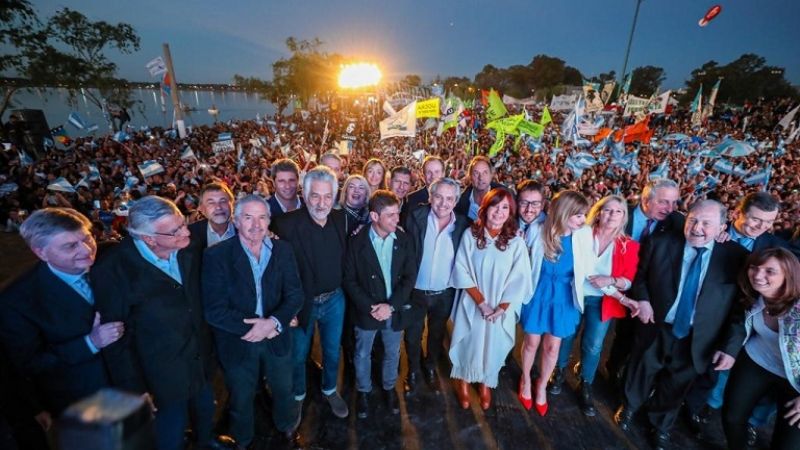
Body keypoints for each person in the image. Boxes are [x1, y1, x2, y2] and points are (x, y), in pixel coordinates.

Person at [614, 200, 748, 450]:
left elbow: (741, 309)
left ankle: (660, 425)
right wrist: (642, 300)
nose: (697, 228)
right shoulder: (660, 242)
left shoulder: (737, 258)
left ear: (722, 227)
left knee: (676, 384)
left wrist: (730, 347)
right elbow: (640, 277)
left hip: (699, 336)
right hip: (656, 324)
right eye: (693, 220)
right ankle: (630, 407)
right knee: (641, 369)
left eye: (707, 223)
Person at [93, 196, 217, 450]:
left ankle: (206, 442)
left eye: (183, 223)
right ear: (149, 238)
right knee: (170, 434)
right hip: (160, 377)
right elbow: (117, 340)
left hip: (200, 360)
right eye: (175, 230)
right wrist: (135, 390)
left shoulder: (188, 247)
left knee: (205, 410)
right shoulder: (113, 270)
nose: (185, 231)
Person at [202, 195, 304, 447]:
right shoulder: (216, 256)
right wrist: (257, 327)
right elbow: (214, 310)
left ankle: (287, 428)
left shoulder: (283, 250)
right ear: (236, 221)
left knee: (283, 389)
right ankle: (243, 440)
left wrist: (274, 323)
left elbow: (295, 294)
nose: (256, 224)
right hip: (239, 341)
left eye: (262, 217)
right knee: (241, 396)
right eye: (248, 217)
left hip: (276, 336)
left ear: (269, 221)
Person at [0, 209, 121, 419]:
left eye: (87, 238)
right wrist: (90, 342)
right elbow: (30, 363)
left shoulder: (111, 255)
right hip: (82, 403)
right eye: (70, 246)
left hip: (134, 386)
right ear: (41, 252)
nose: (86, 250)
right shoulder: (17, 300)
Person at [552, 195, 641, 416]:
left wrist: (611, 281)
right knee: (566, 335)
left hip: (603, 300)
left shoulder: (628, 245)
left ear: (624, 218)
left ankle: (586, 384)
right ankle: (559, 371)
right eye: (608, 210)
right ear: (598, 212)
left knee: (593, 345)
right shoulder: (581, 234)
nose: (612, 215)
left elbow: (628, 279)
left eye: (618, 212)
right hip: (575, 294)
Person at [273, 167, 349, 419]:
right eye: (315, 196)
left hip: (334, 300)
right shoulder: (284, 224)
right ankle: (298, 396)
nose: (321, 203)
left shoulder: (340, 219)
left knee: (331, 350)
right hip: (300, 306)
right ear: (304, 195)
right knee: (298, 355)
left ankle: (329, 389)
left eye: (328, 196)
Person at [449, 188, 533, 410]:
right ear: (485, 209)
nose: (499, 212)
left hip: (500, 307)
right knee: (470, 340)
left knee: (492, 345)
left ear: (510, 212)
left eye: (505, 207)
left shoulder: (516, 242)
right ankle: (464, 380)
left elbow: (520, 278)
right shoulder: (472, 235)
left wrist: (501, 308)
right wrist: (482, 303)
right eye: (495, 206)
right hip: (475, 302)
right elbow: (461, 269)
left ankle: (486, 382)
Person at [342, 190, 417, 419]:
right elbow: (349, 279)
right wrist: (370, 307)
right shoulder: (356, 241)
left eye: (398, 214)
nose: (397, 219)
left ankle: (389, 388)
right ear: (374, 217)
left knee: (393, 352)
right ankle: (363, 391)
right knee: (362, 353)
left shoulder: (403, 239)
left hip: (392, 311)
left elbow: (409, 277)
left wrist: (391, 306)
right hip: (368, 313)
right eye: (391, 215)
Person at [518, 190, 593, 416]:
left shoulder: (584, 234)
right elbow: (524, 261)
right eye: (578, 215)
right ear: (564, 213)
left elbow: (588, 267)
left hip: (564, 297)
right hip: (538, 292)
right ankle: (525, 379)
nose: (583, 220)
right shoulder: (538, 231)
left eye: (584, 215)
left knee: (553, 347)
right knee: (531, 342)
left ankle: (541, 385)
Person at [606, 178, 684, 383]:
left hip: (644, 293)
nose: (670, 208)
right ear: (646, 199)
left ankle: (614, 371)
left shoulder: (678, 223)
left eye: (674, 202)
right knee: (596, 335)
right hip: (608, 283)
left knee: (628, 337)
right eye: (664, 202)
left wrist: (722, 234)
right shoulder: (621, 213)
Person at [722, 247, 800, 450]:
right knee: (732, 417)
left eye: (770, 271)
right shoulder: (753, 294)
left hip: (797, 381)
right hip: (758, 359)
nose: (758, 275)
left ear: (788, 275)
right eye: (754, 267)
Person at [403, 177, 469, 393]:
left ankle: (430, 366)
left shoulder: (463, 224)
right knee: (412, 335)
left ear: (456, 200)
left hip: (444, 293)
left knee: (436, 334)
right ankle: (412, 370)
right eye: (438, 197)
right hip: (414, 291)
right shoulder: (415, 217)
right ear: (430, 197)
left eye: (449, 198)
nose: (443, 203)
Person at [454, 156, 503, 222]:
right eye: (476, 173)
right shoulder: (459, 202)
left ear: (491, 175)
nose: (481, 178)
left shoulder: (504, 195)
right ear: (470, 176)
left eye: (485, 172)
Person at [188, 182, 236, 249]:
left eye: (223, 201)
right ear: (202, 209)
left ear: (232, 205)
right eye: (211, 203)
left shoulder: (245, 229)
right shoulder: (190, 233)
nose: (218, 207)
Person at [402, 155, 445, 220]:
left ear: (443, 174)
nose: (433, 176)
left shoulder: (453, 198)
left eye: (437, 172)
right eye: (429, 172)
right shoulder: (411, 199)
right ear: (423, 175)